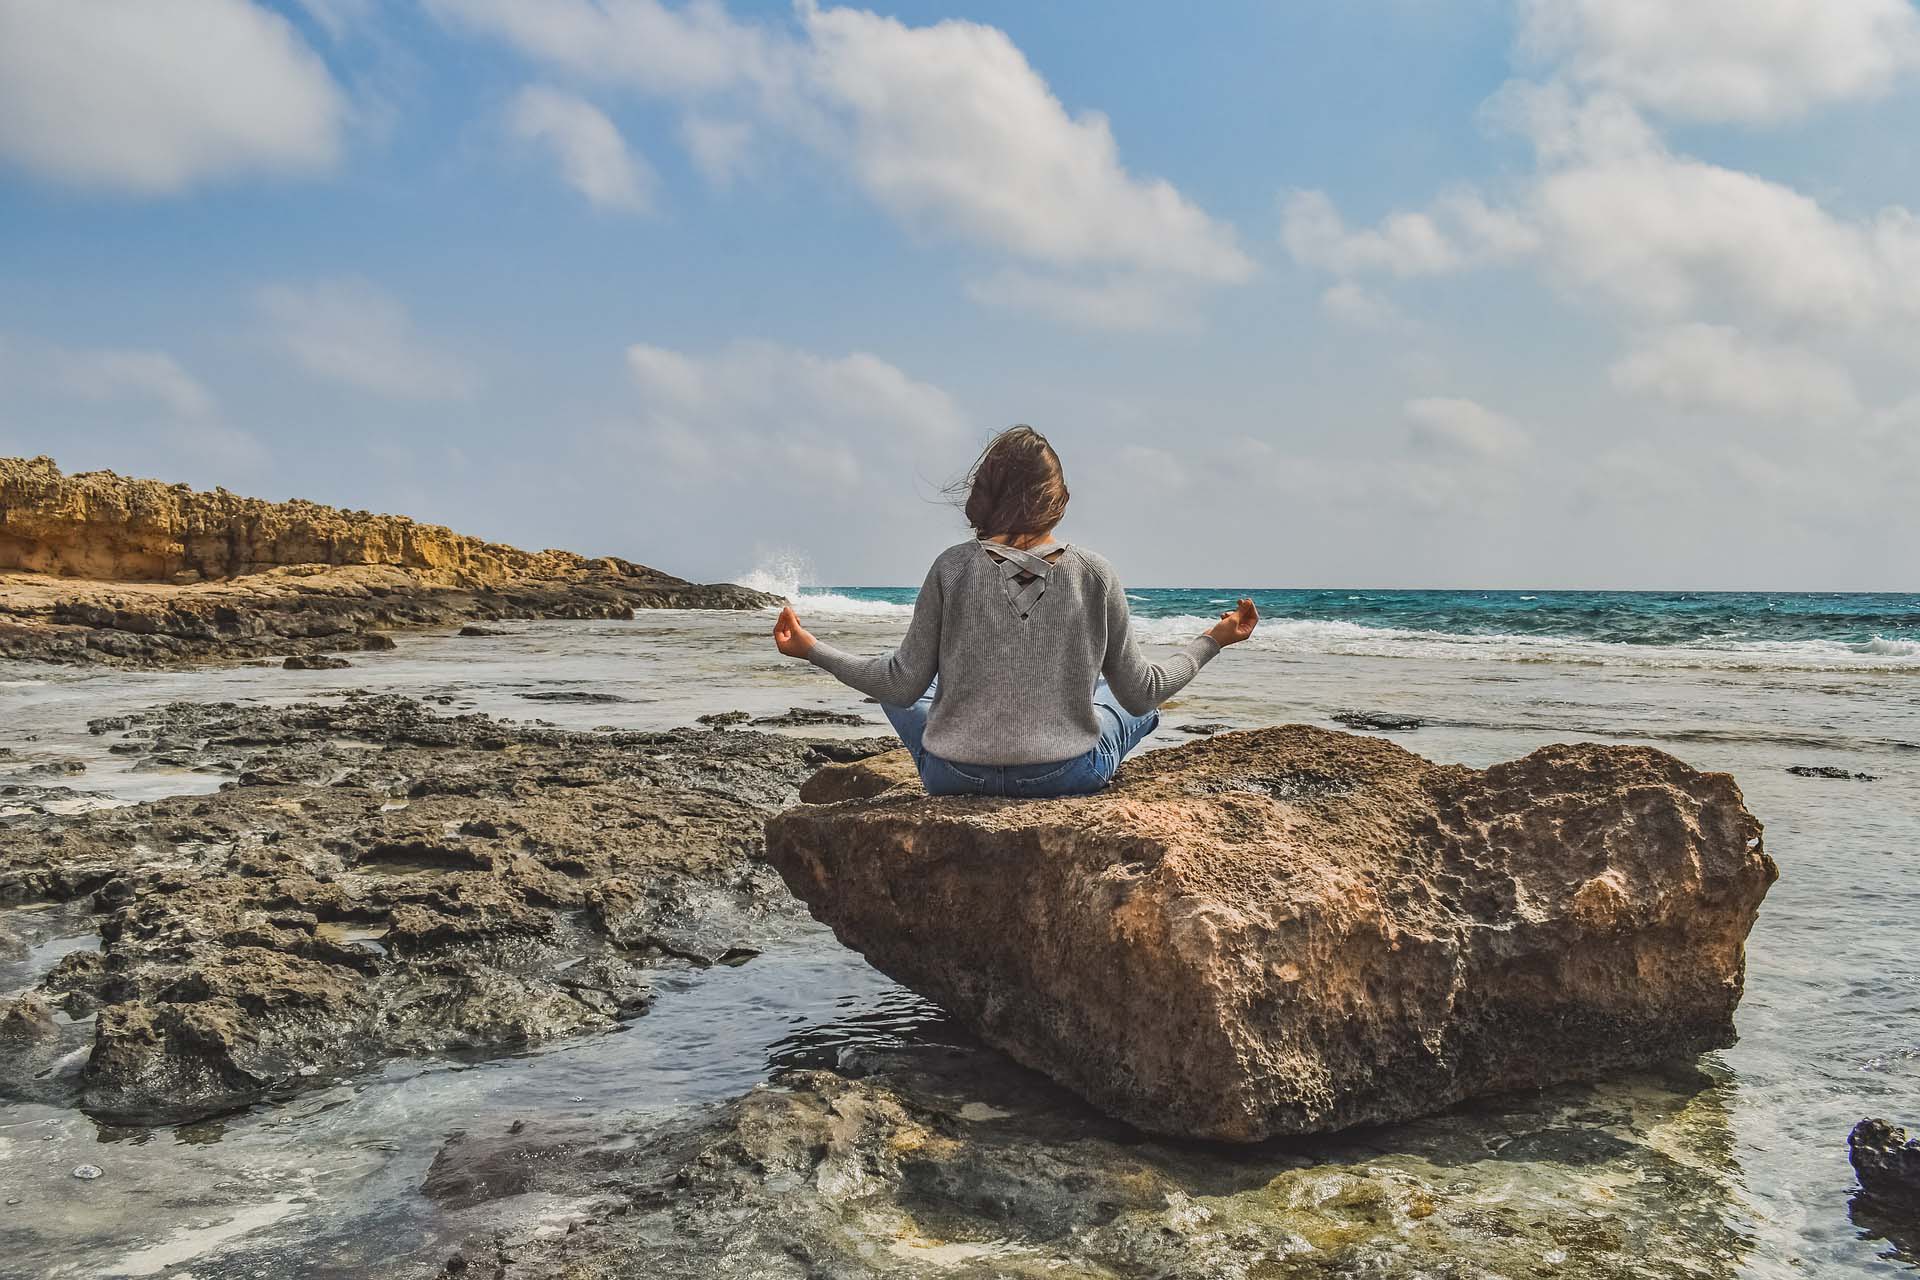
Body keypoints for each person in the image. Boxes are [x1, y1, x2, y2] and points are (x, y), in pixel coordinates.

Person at [771, 425, 1258, 797]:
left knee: (900, 679)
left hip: (954, 777)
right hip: (1065, 775)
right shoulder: (1095, 573)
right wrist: (1214, 639)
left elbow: (900, 685)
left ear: (984, 493)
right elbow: (1143, 690)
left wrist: (811, 648)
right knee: (1124, 700)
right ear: (1056, 498)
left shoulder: (951, 568)